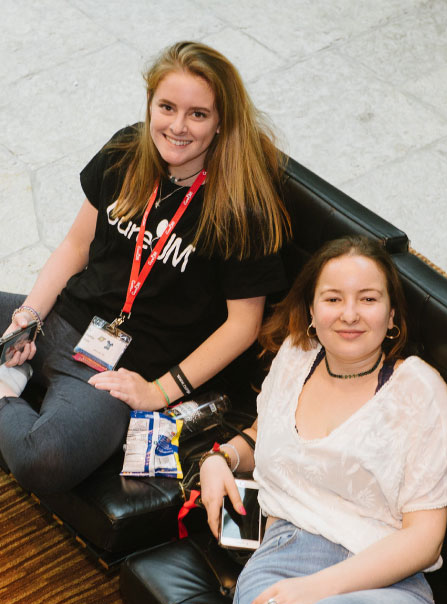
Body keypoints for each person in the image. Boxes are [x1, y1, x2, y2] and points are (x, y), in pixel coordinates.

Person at [0, 41, 290, 496]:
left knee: (45, 461)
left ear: (222, 122)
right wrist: (29, 317)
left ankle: (5, 391)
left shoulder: (241, 208)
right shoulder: (125, 151)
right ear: (150, 104)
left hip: (119, 375)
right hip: (60, 320)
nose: (177, 126)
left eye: (198, 114)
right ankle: (17, 368)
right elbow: (77, 245)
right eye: (167, 107)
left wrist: (160, 392)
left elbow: (243, 325)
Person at [199, 235, 447, 604]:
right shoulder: (296, 356)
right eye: (334, 299)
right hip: (283, 554)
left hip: (384, 582)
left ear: (392, 314)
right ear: (311, 311)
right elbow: (262, 435)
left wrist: (317, 589)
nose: (350, 315)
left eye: (369, 299)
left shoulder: (420, 391)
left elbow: (425, 538)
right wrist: (220, 459)